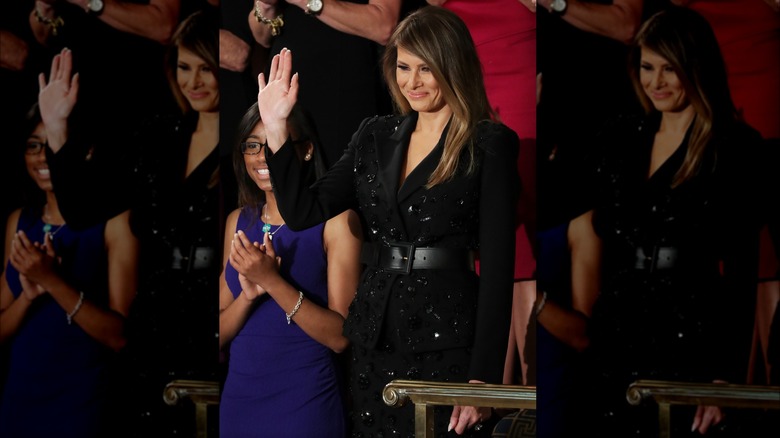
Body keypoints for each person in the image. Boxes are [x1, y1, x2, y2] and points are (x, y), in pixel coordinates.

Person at [257, 6, 519, 436]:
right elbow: (304, 212)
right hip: (373, 339)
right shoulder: (374, 135)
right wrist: (276, 129)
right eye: (402, 67)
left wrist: (482, 380)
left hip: (448, 340)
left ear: (453, 65)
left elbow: (496, 268)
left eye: (425, 69)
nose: (411, 82)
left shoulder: (488, 143)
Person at [582, 7, 765, 436]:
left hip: (692, 327)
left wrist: (724, 376)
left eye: (670, 69)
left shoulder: (736, 147)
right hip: (619, 325)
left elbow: (743, 269)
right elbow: (605, 229)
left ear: (695, 67)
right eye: (647, 67)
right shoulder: (623, 137)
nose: (656, 82)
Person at [38, 9, 222, 436]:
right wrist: (56, 129)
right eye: (184, 67)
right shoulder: (159, 136)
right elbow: (82, 210)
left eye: (205, 69)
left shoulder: (244, 139)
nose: (193, 82)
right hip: (156, 319)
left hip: (218, 312)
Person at [218, 102, 362, 437]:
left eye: (273, 145)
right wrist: (249, 296)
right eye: (252, 145)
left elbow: (342, 338)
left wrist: (272, 281)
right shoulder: (238, 221)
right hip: (240, 402)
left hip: (305, 402)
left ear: (306, 150)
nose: (261, 157)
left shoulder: (337, 221)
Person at [0, 103, 139, 438]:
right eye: (33, 146)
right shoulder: (20, 221)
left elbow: (119, 337)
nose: (42, 157)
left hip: (81, 402)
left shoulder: (114, 223)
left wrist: (52, 280)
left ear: (86, 151)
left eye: (52, 146)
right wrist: (29, 296)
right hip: (20, 399)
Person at [247, 0, 402, 168]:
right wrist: (266, 7)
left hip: (344, 90)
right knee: (280, 175)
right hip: (286, 87)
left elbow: (384, 26)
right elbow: (262, 37)